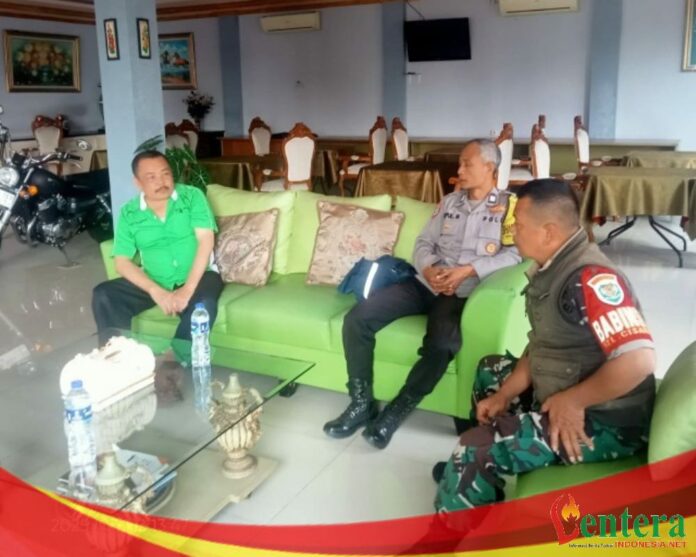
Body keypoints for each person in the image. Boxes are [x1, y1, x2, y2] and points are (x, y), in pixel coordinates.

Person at [434, 179, 656, 513]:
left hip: (606, 421)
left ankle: (467, 480)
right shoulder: (553, 266)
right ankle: (479, 481)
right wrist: (504, 395)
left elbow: (639, 361)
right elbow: (541, 342)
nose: (512, 232)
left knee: (472, 447)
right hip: (565, 383)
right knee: (489, 372)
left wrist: (573, 401)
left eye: (519, 225)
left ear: (548, 232)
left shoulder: (591, 278)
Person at [323, 139, 522, 449]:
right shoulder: (449, 203)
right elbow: (423, 243)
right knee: (357, 318)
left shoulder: (509, 207)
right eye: (460, 163)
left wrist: (469, 270)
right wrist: (428, 269)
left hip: (463, 292)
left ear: (489, 168)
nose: (459, 170)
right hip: (427, 283)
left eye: (467, 164)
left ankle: (397, 410)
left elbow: (516, 254)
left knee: (442, 345)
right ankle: (361, 403)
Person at [92, 150, 223, 362]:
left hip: (200, 276)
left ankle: (174, 362)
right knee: (104, 294)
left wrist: (187, 290)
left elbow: (205, 240)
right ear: (138, 183)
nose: (161, 182)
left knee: (204, 304)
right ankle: (116, 359)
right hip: (155, 279)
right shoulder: (129, 213)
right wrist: (157, 292)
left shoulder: (191, 197)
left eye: (165, 174)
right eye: (151, 177)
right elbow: (122, 262)